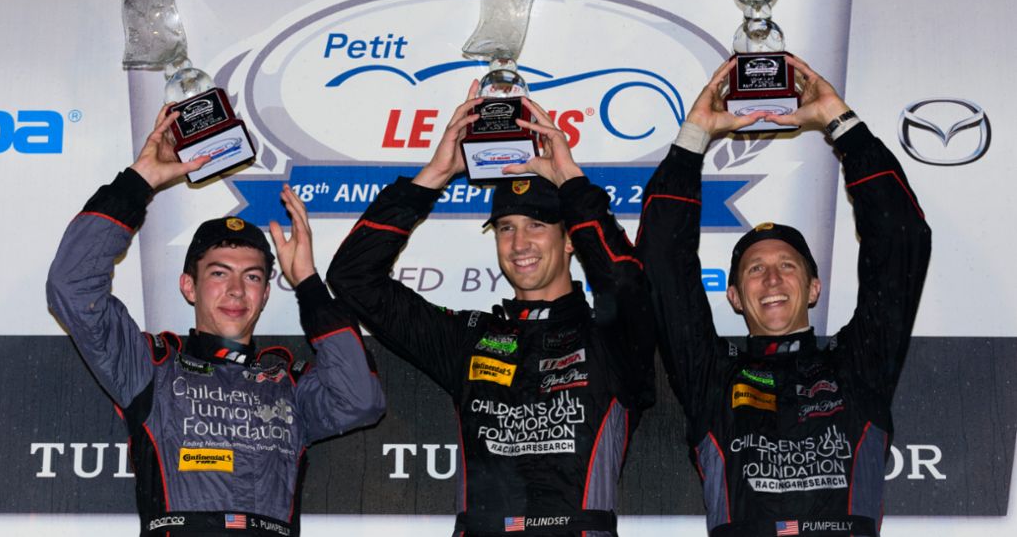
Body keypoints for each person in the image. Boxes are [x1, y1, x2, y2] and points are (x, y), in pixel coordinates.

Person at [326, 83, 656, 537]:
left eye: (537, 226)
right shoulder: (471, 339)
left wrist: (573, 183)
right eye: (505, 228)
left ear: (568, 239)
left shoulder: (610, 335)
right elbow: (352, 279)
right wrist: (434, 176)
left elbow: (625, 278)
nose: (519, 244)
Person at [46, 106, 385, 537]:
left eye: (252, 277)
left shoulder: (291, 384)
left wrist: (311, 286)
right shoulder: (148, 366)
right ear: (189, 286)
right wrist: (139, 183)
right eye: (219, 273)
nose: (236, 291)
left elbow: (362, 401)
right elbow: (71, 286)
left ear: (265, 292)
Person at [636, 57, 931, 537]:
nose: (771, 280)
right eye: (755, 270)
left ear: (814, 288)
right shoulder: (711, 373)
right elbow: (661, 264)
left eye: (787, 267)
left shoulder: (859, 363)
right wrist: (695, 135)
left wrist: (840, 122)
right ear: (733, 295)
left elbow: (901, 240)